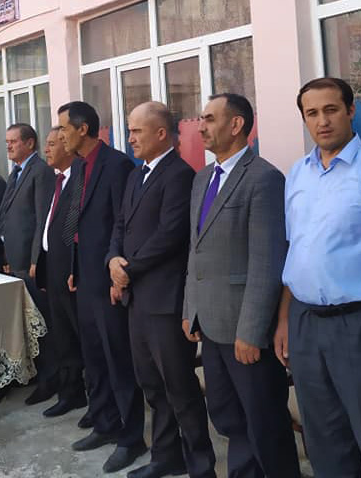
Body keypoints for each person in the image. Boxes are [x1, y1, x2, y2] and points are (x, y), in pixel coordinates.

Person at [277, 78, 361, 478]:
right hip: (304, 323)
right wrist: (284, 319)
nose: (322, 121)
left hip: (360, 323)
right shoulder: (297, 174)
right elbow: (296, 250)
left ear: (351, 111)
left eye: (331, 110)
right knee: (323, 439)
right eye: (312, 113)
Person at [183, 94, 300, 478]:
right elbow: (195, 250)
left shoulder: (263, 178)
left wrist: (251, 332)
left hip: (245, 332)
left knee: (265, 422)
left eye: (209, 119)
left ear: (236, 125)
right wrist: (190, 309)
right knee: (229, 418)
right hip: (211, 325)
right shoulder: (203, 178)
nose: (201, 127)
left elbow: (267, 263)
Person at [107, 102, 215, 478]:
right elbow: (120, 225)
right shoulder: (137, 175)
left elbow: (170, 235)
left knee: (180, 388)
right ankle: (166, 457)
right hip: (137, 298)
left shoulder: (179, 175)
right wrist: (112, 260)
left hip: (165, 301)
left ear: (161, 133)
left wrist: (128, 270)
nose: (131, 138)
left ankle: (201, 465)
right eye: (130, 130)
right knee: (151, 385)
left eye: (137, 131)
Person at [58, 101, 146, 474]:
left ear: (83, 129)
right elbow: (77, 221)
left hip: (109, 280)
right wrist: (74, 267)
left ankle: (131, 436)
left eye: (64, 128)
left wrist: (116, 275)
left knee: (118, 360)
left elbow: (122, 225)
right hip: (85, 278)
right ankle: (104, 422)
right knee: (93, 357)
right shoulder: (79, 165)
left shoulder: (117, 165)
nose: (60, 135)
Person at [0, 123, 57, 405]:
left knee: (43, 323)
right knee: (28, 323)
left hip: (30, 262)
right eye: (7, 142)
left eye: (14, 141)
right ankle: (37, 373)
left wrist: (36, 259)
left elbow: (41, 219)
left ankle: (50, 379)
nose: (8, 146)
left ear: (30, 143)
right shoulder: (17, 172)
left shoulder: (40, 172)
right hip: (15, 260)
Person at [32, 127, 87, 419]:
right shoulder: (57, 180)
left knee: (79, 336)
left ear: (68, 146)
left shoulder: (79, 177)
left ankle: (89, 395)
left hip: (71, 270)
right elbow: (47, 224)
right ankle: (70, 393)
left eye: (53, 144)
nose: (47, 150)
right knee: (62, 336)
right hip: (51, 266)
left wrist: (73, 266)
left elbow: (75, 227)